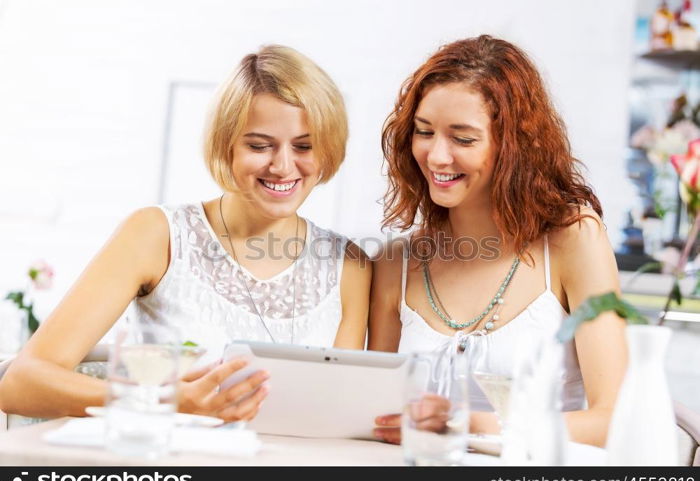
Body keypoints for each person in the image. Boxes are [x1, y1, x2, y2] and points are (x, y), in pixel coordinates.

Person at [0, 45, 370, 422]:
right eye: (259, 145)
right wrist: (166, 400)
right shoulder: (155, 234)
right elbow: (20, 384)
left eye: (304, 146)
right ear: (226, 145)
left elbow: (334, 417)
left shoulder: (350, 265)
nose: (282, 165)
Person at [369, 35, 626, 447]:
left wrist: (470, 425)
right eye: (424, 131)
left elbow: (614, 421)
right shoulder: (395, 263)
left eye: (463, 139)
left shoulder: (573, 240)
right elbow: (377, 419)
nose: (436, 156)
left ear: (514, 147)